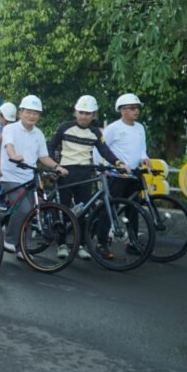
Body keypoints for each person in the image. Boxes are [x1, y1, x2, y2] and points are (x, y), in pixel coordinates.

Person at [47, 94, 124, 259]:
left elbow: (105, 151)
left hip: (85, 175)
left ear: (94, 115)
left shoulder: (95, 132)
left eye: (88, 113)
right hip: (66, 173)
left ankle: (80, 245)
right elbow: (51, 146)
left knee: (83, 211)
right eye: (81, 112)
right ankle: (61, 244)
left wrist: (118, 163)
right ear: (75, 112)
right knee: (64, 210)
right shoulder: (64, 127)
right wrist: (55, 166)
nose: (84, 116)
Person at [0, 95, 68, 256]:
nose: (32, 116)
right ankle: (9, 240)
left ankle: (23, 247)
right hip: (11, 177)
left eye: (35, 113)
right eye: (28, 112)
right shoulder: (10, 129)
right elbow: (9, 145)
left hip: (29, 178)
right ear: (20, 113)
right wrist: (14, 155)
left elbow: (43, 157)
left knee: (32, 212)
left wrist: (57, 166)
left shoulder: (38, 134)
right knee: (24, 210)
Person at [101, 93, 151, 257]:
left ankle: (133, 242)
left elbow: (142, 148)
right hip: (117, 175)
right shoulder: (113, 128)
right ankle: (103, 243)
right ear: (122, 110)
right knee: (110, 208)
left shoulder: (140, 127)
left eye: (137, 108)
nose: (136, 111)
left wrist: (145, 158)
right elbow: (100, 148)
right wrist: (104, 168)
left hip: (135, 173)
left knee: (134, 209)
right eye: (131, 108)